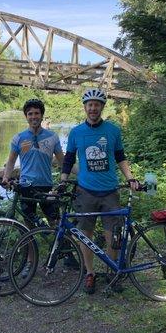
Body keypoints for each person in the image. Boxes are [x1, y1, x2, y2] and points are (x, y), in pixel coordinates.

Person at [59, 88, 139, 295]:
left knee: (112, 235)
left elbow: (120, 156)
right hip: (86, 191)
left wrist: (130, 177)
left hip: (110, 190)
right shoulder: (76, 132)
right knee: (85, 234)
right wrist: (62, 181)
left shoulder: (113, 130)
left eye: (97, 105)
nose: (93, 108)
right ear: (85, 107)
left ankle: (112, 271)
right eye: (89, 105)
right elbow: (68, 160)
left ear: (102, 107)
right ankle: (90, 273)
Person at [2, 99, 64, 276]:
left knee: (55, 222)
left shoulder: (52, 137)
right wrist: (6, 177)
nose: (34, 116)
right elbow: (11, 161)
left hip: (46, 186)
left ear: (42, 115)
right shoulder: (19, 138)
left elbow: (62, 162)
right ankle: (30, 262)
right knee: (28, 227)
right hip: (26, 187)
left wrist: (81, 174)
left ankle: (64, 253)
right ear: (26, 117)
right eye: (30, 114)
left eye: (37, 113)